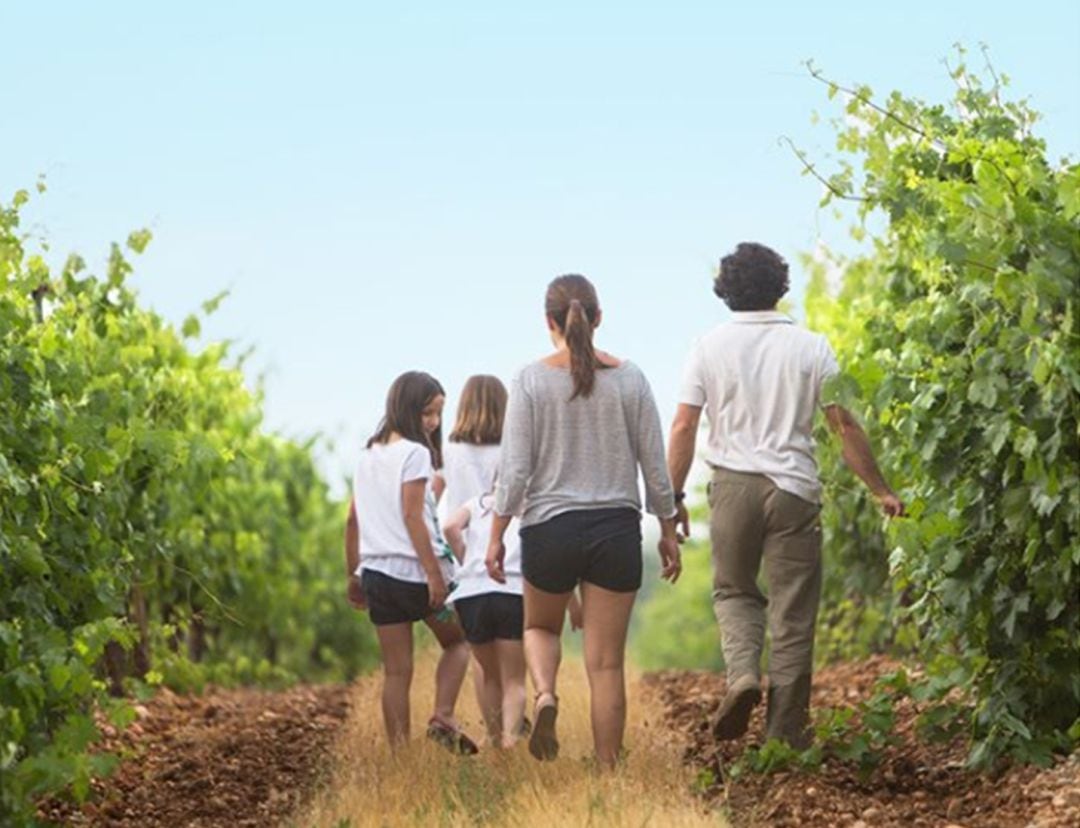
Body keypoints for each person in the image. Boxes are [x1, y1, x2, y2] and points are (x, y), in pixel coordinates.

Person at [666, 242, 904, 749]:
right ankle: (784, 735)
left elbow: (685, 425)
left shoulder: (706, 346)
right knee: (792, 615)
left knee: (734, 590)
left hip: (733, 487)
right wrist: (880, 489)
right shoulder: (812, 347)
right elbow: (844, 427)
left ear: (726, 290)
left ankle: (742, 677)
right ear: (780, 287)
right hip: (795, 490)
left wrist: (673, 497)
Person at [487, 274, 682, 767]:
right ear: (597, 319)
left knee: (540, 628)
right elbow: (654, 464)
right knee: (606, 664)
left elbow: (514, 471)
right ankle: (607, 767)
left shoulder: (530, 380)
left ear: (549, 322)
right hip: (615, 528)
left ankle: (546, 695)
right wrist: (666, 528)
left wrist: (495, 535)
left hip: (549, 528)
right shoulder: (631, 378)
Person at [344, 370, 478, 754]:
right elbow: (412, 515)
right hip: (414, 575)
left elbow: (352, 520)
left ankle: (400, 759)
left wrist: (353, 575)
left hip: (377, 576)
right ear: (406, 409)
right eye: (427, 414)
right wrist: (435, 576)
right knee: (460, 641)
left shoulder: (367, 455)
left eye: (438, 413)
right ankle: (442, 715)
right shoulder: (415, 454)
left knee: (396, 672)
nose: (434, 422)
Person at [443, 487, 528, 748]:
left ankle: (495, 745)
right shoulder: (530, 505)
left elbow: (449, 527)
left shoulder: (476, 503)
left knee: (490, 676)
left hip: (472, 595)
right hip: (511, 589)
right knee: (514, 679)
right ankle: (510, 740)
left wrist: (468, 562)